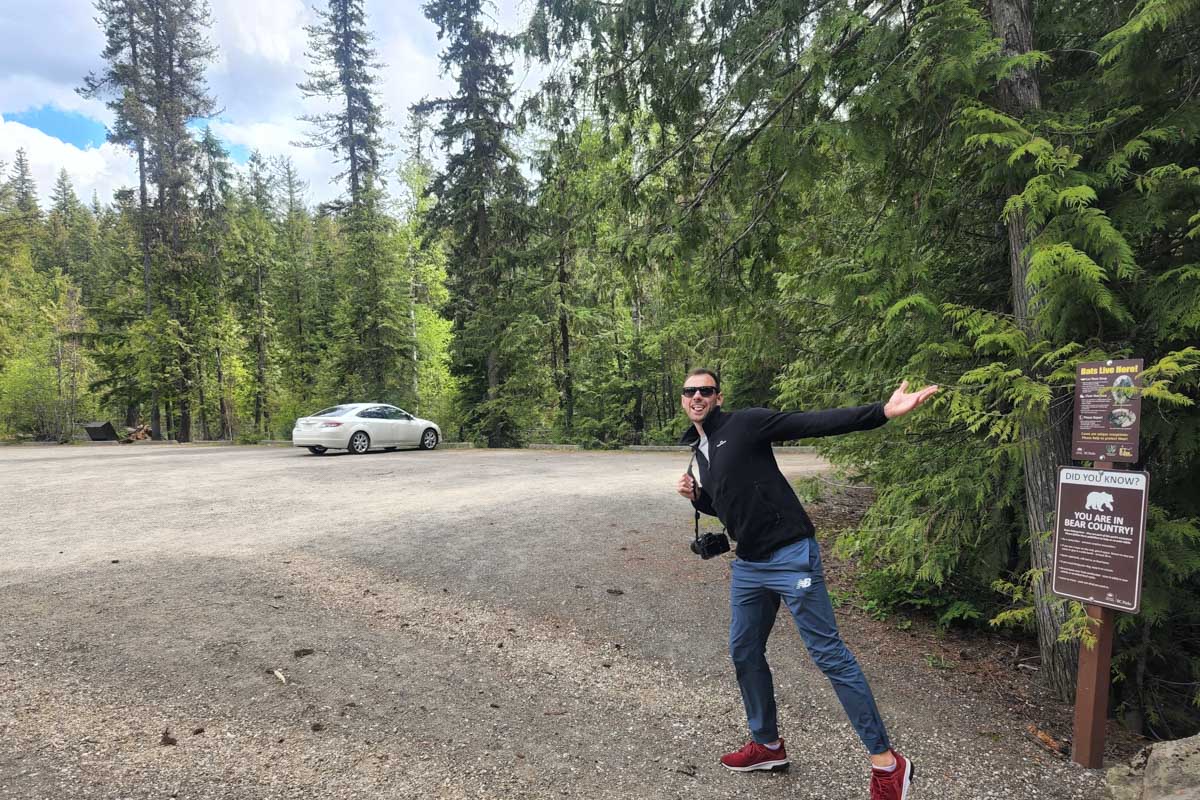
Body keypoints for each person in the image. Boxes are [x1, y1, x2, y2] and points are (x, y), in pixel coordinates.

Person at [675, 367, 937, 800]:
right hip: (749, 564)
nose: (697, 396)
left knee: (828, 654)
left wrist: (882, 412)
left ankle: (888, 764)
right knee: (744, 651)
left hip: (791, 555)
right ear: (684, 399)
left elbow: (812, 422)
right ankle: (767, 745)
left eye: (706, 390)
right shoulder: (699, 448)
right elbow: (729, 505)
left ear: (718, 397)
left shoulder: (747, 423)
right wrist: (699, 497)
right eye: (690, 391)